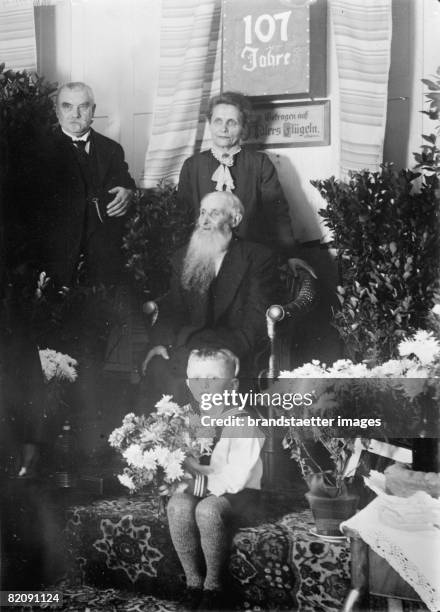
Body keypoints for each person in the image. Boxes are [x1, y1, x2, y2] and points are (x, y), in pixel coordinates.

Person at [140, 190, 280, 408]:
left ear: (235, 220)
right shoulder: (184, 256)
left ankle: (212, 441)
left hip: (234, 343)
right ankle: (170, 439)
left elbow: (256, 315)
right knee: (159, 368)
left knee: (218, 377)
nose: (204, 221)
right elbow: (173, 307)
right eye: (202, 213)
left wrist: (227, 352)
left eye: (213, 214)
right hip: (189, 344)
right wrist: (159, 342)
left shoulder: (258, 257)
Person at [167, 348, 265, 611]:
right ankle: (193, 582)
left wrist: (196, 485)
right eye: (197, 378)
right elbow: (180, 460)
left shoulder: (243, 423)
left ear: (232, 384)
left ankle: (213, 587)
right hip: (201, 487)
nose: (205, 385)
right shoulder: (187, 419)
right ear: (188, 383)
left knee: (208, 510)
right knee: (177, 505)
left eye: (213, 378)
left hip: (239, 493)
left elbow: (236, 477)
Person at [177, 91, 314, 276]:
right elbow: (182, 217)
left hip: (251, 262)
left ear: (243, 127)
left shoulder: (260, 164)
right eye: (218, 121)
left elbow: (277, 215)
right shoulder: (192, 166)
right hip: (204, 260)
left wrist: (290, 255)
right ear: (209, 124)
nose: (223, 129)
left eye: (231, 122)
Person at [34, 81, 136, 288]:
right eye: (67, 106)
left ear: (93, 111)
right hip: (58, 255)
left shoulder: (112, 149)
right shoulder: (38, 151)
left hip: (104, 254)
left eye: (83, 106)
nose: (75, 114)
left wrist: (128, 192)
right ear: (56, 111)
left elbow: (125, 182)